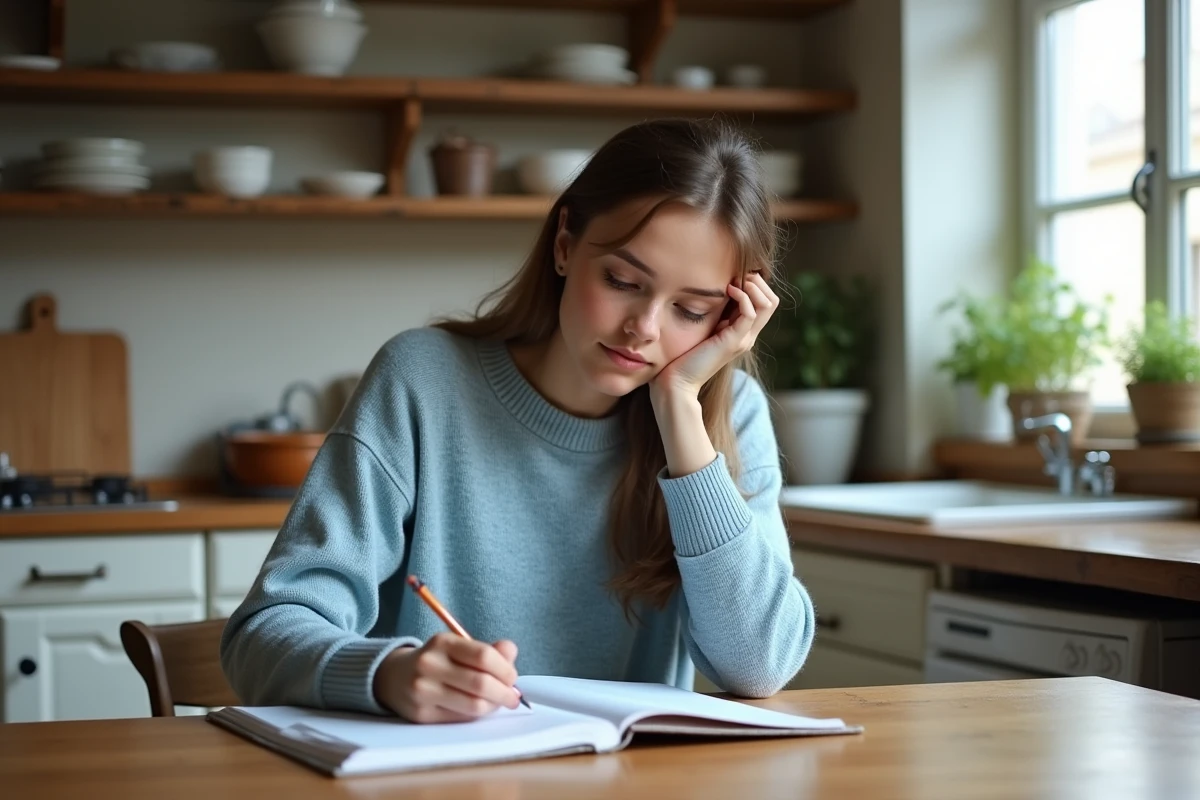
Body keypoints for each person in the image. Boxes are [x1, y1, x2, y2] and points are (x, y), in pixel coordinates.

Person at [220, 117, 816, 724]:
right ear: (564, 245)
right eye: (622, 281)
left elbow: (759, 665)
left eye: (691, 310)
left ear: (729, 320)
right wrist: (386, 673)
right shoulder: (422, 383)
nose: (646, 328)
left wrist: (679, 410)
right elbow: (262, 635)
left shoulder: (726, 416)